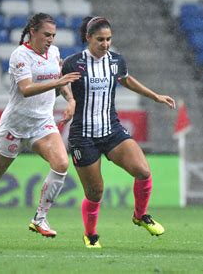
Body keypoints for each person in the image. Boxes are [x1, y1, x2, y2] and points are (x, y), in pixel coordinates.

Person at [0, 13, 81, 245]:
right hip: (15, 127)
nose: (50, 39)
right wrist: (59, 84)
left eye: (53, 35)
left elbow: (60, 78)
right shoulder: (20, 55)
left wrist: (70, 99)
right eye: (46, 34)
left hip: (42, 125)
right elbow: (26, 88)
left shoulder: (55, 53)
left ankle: (40, 218)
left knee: (61, 163)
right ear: (33, 32)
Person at [61, 16, 176, 248]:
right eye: (100, 40)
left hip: (111, 130)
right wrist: (70, 99)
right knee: (95, 192)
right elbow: (62, 82)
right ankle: (91, 235)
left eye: (109, 39)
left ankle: (140, 215)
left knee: (143, 170)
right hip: (83, 136)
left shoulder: (116, 61)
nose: (105, 44)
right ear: (88, 38)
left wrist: (155, 96)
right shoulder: (73, 63)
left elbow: (126, 80)